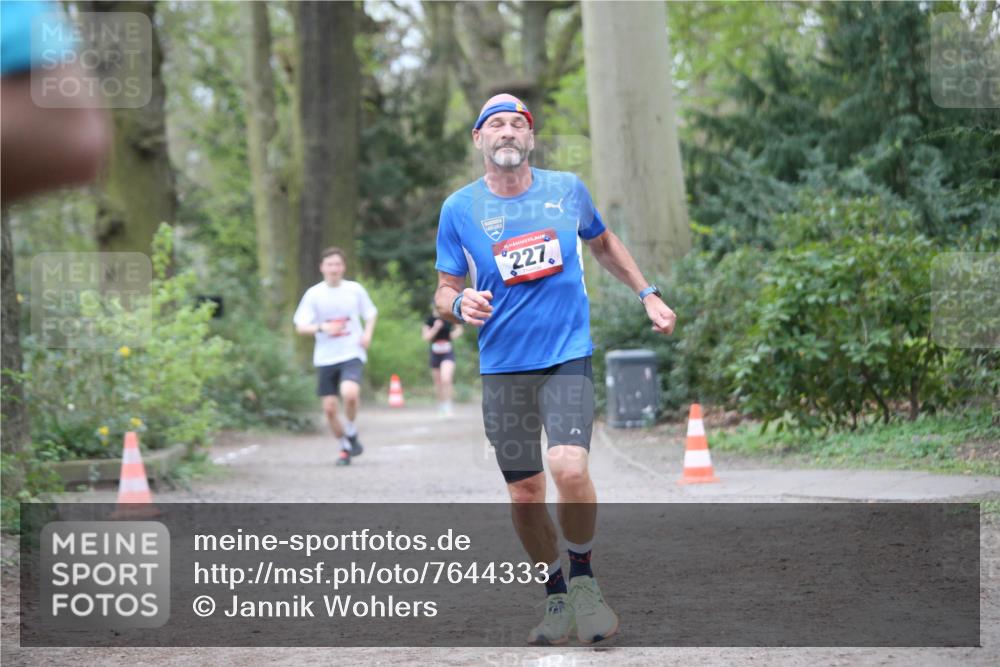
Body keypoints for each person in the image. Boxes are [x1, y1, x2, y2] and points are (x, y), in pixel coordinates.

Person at [434, 94, 676, 645]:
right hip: (503, 367)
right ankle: (555, 595)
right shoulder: (459, 209)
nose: (507, 132)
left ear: (530, 138)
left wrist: (647, 293)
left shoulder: (566, 190)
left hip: (567, 354)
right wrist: (457, 304)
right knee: (524, 494)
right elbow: (445, 289)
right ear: (479, 140)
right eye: (495, 125)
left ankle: (585, 578)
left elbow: (603, 241)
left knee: (568, 467)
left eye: (517, 124)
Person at [294, 247, 378, 467]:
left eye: (337, 264)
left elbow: (370, 314)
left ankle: (350, 429)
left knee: (350, 393)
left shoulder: (355, 290)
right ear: (322, 267)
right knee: (330, 409)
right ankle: (345, 446)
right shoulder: (314, 294)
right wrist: (323, 328)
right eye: (329, 264)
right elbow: (300, 327)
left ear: (343, 267)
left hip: (351, 351)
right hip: (325, 357)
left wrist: (367, 334)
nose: (334, 268)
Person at [422, 304, 463, 418]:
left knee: (446, 378)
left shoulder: (448, 317)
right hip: (435, 353)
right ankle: (441, 406)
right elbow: (426, 337)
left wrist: (449, 337)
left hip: (447, 353)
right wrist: (435, 328)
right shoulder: (429, 320)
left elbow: (459, 330)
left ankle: (448, 406)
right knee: (438, 383)